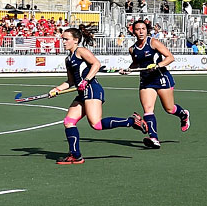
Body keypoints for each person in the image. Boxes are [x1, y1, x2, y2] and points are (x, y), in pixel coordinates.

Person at [49, 25, 148, 164]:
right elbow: (70, 81)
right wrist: (57, 89)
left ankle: (132, 121)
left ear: (75, 40)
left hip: (92, 89)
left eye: (66, 39)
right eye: (63, 39)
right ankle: (75, 155)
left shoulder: (81, 51)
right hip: (82, 92)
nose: (63, 42)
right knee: (69, 122)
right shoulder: (68, 59)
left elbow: (96, 64)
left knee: (96, 124)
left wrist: (86, 80)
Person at [124, 19, 190, 149]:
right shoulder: (132, 49)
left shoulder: (153, 42)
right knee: (148, 109)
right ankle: (154, 138)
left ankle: (183, 114)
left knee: (169, 109)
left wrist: (157, 66)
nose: (141, 32)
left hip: (161, 77)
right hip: (146, 81)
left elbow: (170, 57)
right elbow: (136, 63)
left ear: (147, 30)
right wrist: (128, 69)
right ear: (134, 32)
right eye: (138, 29)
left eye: (143, 29)